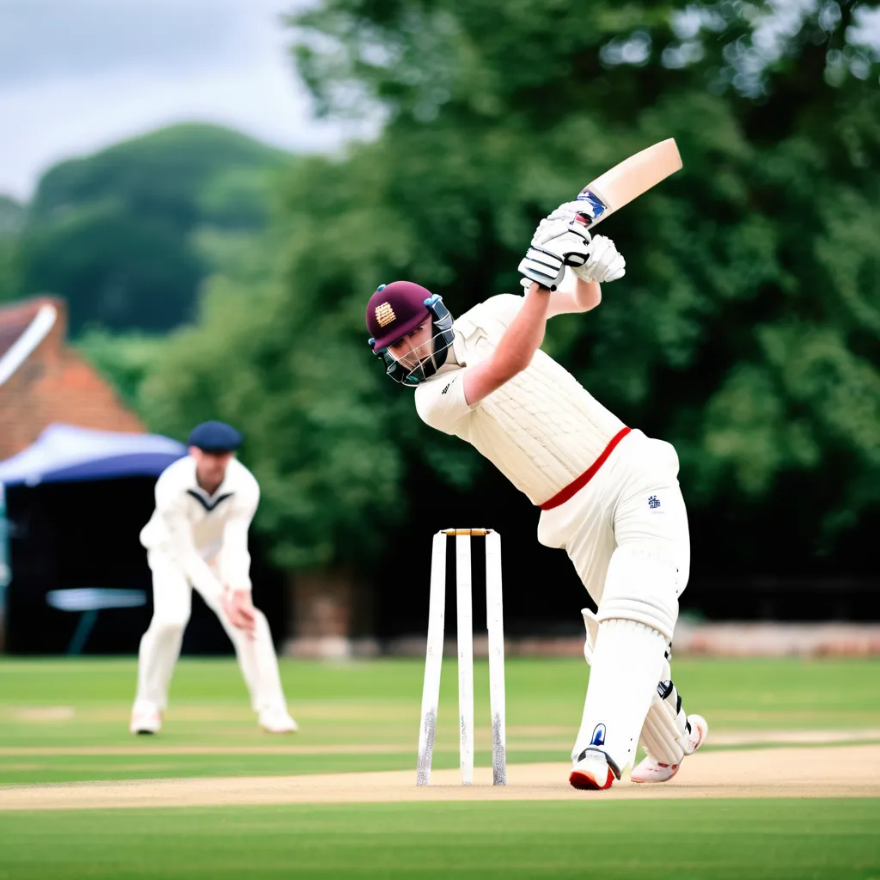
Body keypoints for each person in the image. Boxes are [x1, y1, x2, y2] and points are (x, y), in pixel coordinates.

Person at [365, 207, 707, 789]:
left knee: (634, 606)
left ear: (435, 315)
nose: (408, 351)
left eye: (412, 332)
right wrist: (541, 282)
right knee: (621, 632)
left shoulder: (498, 311)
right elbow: (510, 362)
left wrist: (586, 268)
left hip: (631, 469)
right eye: (394, 346)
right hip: (574, 516)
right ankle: (678, 737)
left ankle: (598, 752)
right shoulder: (431, 400)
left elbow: (584, 301)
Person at [130, 421, 297, 735]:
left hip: (216, 555)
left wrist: (240, 591)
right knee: (170, 619)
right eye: (210, 454)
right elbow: (185, 553)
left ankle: (272, 711)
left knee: (251, 622)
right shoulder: (171, 484)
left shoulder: (245, 486)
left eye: (223, 455)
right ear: (195, 452)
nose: (216, 462)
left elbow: (236, 543)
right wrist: (222, 598)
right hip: (169, 553)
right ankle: (147, 707)